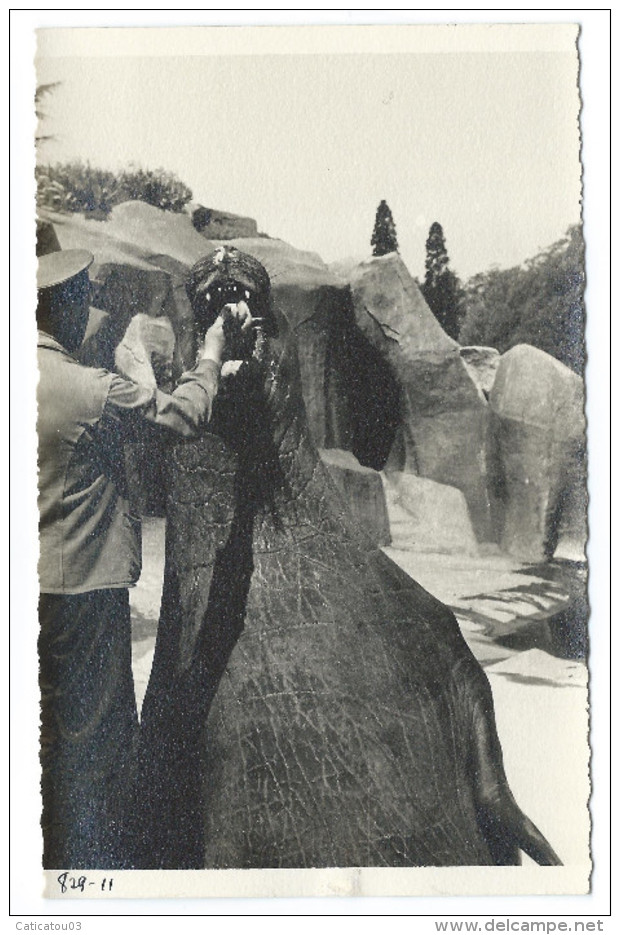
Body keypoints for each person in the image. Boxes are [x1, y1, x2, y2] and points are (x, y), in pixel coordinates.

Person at [36, 248, 254, 869]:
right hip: (83, 597)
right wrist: (212, 352)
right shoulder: (86, 390)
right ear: (70, 308)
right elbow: (182, 417)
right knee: (97, 755)